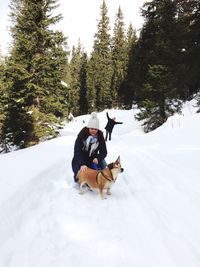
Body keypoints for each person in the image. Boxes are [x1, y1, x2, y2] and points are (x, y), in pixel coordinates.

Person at [72, 112, 107, 182]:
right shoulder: (82, 136)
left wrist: (98, 158)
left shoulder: (100, 137)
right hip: (80, 158)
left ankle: (101, 178)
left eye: (96, 129)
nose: (94, 131)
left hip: (92, 159)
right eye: (92, 128)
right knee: (81, 176)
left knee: (103, 164)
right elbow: (77, 151)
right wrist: (82, 164)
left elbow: (104, 151)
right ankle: (79, 176)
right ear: (88, 128)